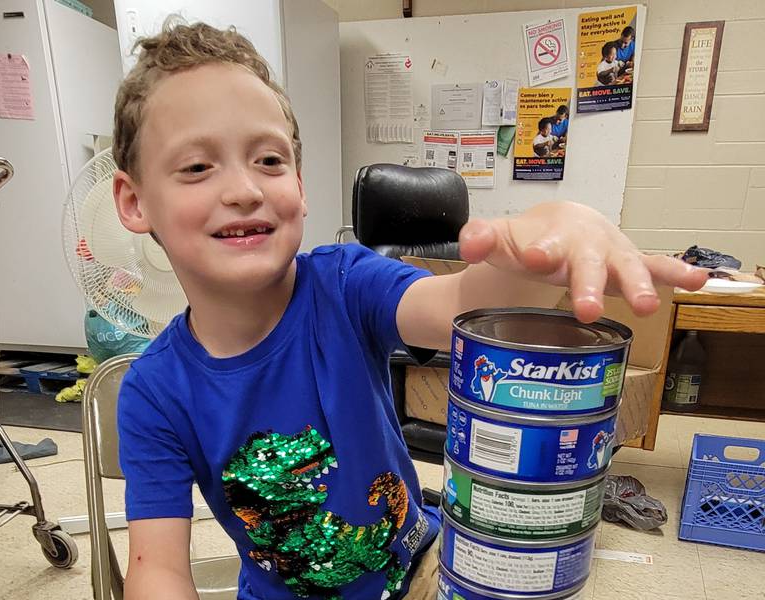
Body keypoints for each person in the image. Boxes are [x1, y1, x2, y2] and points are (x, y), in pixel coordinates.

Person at [111, 19, 707, 600]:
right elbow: (156, 567)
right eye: (196, 167)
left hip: (421, 570)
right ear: (135, 201)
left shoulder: (344, 282)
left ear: (301, 183)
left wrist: (546, 239)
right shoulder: (153, 391)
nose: (244, 188)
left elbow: (457, 306)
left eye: (269, 160)